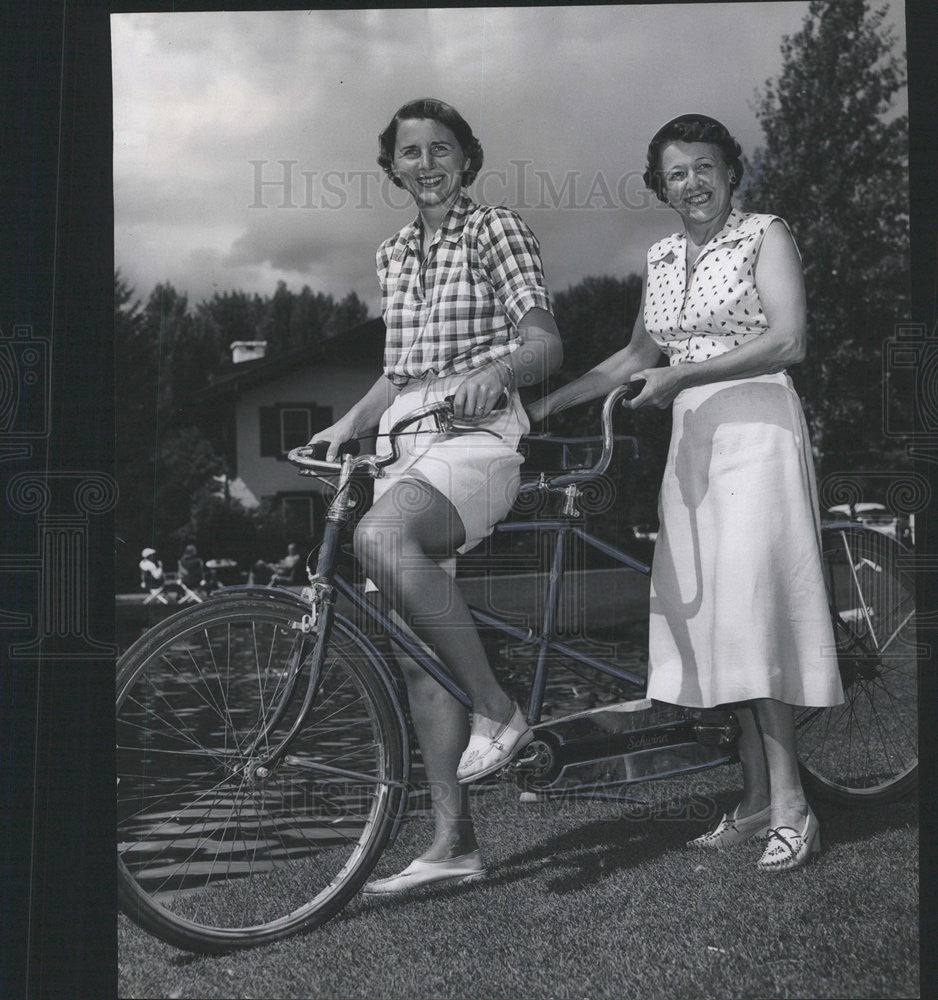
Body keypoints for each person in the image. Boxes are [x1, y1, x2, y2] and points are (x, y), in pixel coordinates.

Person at [528, 114, 843, 873]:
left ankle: (795, 807)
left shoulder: (766, 233)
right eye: (676, 173)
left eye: (705, 167)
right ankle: (757, 795)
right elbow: (634, 356)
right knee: (710, 618)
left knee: (751, 616)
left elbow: (789, 339)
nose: (692, 183)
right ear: (660, 186)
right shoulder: (662, 255)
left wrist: (682, 376)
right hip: (694, 440)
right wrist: (540, 408)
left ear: (732, 173)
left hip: (757, 425)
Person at [309, 98, 562, 893]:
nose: (426, 163)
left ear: (467, 159)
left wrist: (494, 375)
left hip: (480, 443)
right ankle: (453, 846)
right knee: (420, 658)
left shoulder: (496, 229)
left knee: (380, 539)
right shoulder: (392, 254)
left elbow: (545, 344)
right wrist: (347, 423)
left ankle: (501, 710)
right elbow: (401, 368)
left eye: (441, 149)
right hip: (406, 445)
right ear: (392, 168)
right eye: (410, 152)